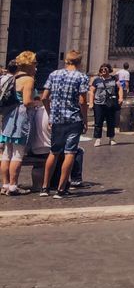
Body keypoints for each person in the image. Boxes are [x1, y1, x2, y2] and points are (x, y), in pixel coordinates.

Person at [40, 49, 89, 198]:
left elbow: (44, 97)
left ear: (66, 60)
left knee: (54, 152)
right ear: (79, 62)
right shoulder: (81, 77)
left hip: (57, 118)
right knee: (70, 152)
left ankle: (45, 187)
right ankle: (61, 189)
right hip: (73, 119)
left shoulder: (54, 74)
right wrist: (85, 120)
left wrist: (50, 114)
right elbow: (82, 101)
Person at [1, 53, 37, 195]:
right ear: (28, 65)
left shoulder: (12, 77)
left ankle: (5, 185)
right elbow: (27, 101)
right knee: (18, 152)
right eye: (34, 63)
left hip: (8, 115)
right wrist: (36, 103)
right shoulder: (28, 79)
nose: (36, 66)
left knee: (6, 153)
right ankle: (13, 186)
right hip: (20, 116)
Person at [89, 63, 122, 147]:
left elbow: (120, 88)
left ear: (109, 70)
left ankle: (111, 138)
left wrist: (120, 98)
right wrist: (91, 103)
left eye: (105, 69)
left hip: (110, 103)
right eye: (102, 69)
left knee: (111, 121)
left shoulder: (114, 79)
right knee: (98, 122)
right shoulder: (97, 80)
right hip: (99, 103)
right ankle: (97, 139)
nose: (103, 71)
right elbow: (92, 91)